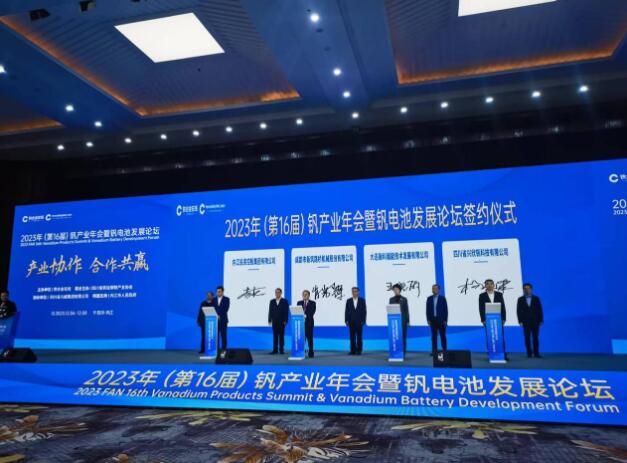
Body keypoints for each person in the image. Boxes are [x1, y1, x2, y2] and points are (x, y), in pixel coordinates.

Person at [479, 279, 507, 358]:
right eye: (487, 284)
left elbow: (503, 307)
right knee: (489, 337)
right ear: (485, 286)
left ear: (493, 285)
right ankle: (491, 354)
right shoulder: (482, 296)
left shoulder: (499, 294)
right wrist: (483, 320)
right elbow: (481, 308)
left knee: (500, 337)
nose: (489, 285)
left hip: (498, 319)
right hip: (488, 320)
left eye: (491, 284)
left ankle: (503, 354)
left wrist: (504, 318)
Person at [517, 283, 544, 358]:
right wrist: (520, 321)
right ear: (523, 290)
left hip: (535, 321)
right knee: (527, 338)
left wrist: (541, 320)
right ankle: (529, 353)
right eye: (525, 288)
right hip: (525, 322)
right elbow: (518, 311)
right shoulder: (520, 299)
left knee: (535, 337)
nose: (527, 290)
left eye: (528, 288)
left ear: (531, 289)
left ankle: (536, 353)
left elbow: (540, 309)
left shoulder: (536, 298)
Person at [426, 284, 448, 356]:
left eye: (436, 289)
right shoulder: (429, 298)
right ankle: (434, 351)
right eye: (433, 289)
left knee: (442, 336)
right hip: (433, 320)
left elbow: (445, 310)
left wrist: (445, 320)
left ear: (438, 290)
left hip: (441, 320)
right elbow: (427, 310)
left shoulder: (442, 298)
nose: (434, 290)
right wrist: (428, 319)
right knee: (434, 337)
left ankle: (444, 351)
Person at [345, 287, 367, 355]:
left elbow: (364, 311)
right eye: (353, 291)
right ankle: (352, 350)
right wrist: (346, 320)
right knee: (352, 337)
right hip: (351, 321)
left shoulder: (362, 300)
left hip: (359, 322)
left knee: (359, 337)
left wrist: (363, 320)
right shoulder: (348, 301)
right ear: (352, 292)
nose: (354, 293)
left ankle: (359, 350)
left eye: (355, 291)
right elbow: (346, 311)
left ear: (358, 292)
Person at [389, 284, 410, 353]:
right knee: (395, 337)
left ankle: (403, 352)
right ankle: (395, 351)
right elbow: (390, 310)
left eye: (397, 289)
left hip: (403, 321)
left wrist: (408, 321)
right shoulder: (391, 299)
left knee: (403, 336)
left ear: (400, 290)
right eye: (394, 290)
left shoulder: (404, 299)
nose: (395, 291)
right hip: (394, 321)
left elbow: (406, 310)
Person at [268, 288, 289, 355]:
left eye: (278, 292)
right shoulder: (272, 301)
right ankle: (275, 350)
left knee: (281, 336)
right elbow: (270, 311)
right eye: (276, 292)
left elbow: (286, 312)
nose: (277, 293)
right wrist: (269, 319)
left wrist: (285, 320)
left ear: (281, 293)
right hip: (274, 321)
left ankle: (281, 350)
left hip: (282, 321)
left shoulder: (284, 301)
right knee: (275, 336)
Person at [297, 290, 316, 358]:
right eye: (303, 294)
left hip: (309, 323)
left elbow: (312, 312)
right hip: (301, 324)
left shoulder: (313, 303)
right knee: (301, 339)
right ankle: (300, 352)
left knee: (310, 339)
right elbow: (297, 312)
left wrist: (305, 316)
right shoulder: (299, 303)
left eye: (306, 294)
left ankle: (311, 353)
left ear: (309, 295)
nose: (304, 296)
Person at [215, 286, 230, 352]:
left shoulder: (227, 299)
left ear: (222, 292)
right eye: (217, 291)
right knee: (216, 336)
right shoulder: (214, 299)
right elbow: (213, 308)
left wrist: (219, 315)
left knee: (223, 335)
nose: (218, 293)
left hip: (223, 320)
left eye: (219, 291)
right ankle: (216, 349)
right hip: (215, 320)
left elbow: (226, 309)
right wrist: (216, 315)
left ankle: (224, 349)